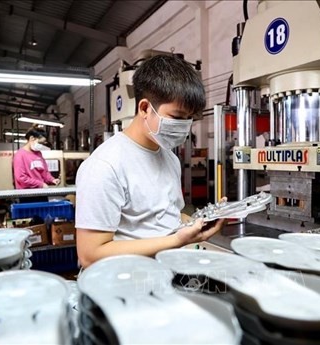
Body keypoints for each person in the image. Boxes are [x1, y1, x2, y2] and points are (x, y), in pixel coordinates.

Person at [75, 55, 225, 268]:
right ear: (145, 108)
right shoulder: (105, 165)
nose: (185, 126)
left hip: (163, 275)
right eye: (177, 117)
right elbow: (90, 255)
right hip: (121, 284)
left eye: (189, 118)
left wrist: (200, 221)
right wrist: (176, 240)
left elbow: (167, 214)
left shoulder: (170, 158)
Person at [13, 125, 60, 189]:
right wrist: (40, 184)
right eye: (40, 143)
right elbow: (21, 177)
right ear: (32, 138)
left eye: (43, 143)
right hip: (26, 194)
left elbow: (44, 172)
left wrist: (52, 179)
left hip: (40, 191)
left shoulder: (38, 153)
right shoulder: (20, 155)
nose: (41, 146)